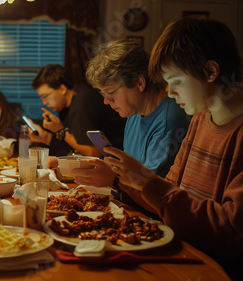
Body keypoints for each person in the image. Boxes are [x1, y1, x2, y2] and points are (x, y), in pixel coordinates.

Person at [101, 18, 243, 279]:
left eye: (175, 81)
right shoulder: (200, 119)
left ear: (210, 72)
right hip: (182, 254)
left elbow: (230, 231)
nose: (169, 91)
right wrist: (127, 180)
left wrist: (143, 180)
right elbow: (170, 196)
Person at [72, 39, 191, 215]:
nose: (106, 101)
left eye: (110, 92)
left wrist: (113, 179)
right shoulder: (133, 115)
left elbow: (152, 194)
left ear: (140, 83)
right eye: (103, 94)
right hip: (128, 208)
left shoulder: (171, 120)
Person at [30, 64, 126, 157]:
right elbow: (73, 146)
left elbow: (93, 153)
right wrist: (45, 136)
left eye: (45, 97)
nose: (44, 102)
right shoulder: (66, 105)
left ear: (62, 89)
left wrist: (60, 130)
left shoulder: (82, 102)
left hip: (120, 160)